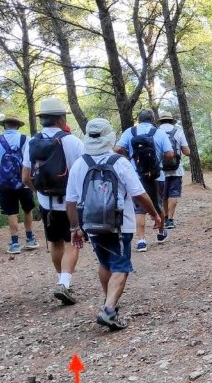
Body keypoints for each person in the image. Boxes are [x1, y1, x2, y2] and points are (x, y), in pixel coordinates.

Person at [66, 118, 162, 330]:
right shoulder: (119, 162)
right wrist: (155, 214)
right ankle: (109, 309)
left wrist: (75, 228)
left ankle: (109, 302)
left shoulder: (80, 164)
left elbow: (71, 200)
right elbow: (139, 194)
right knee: (120, 266)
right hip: (120, 223)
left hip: (91, 224)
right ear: (109, 137)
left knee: (104, 263)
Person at [22, 97, 85, 305]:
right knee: (73, 241)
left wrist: (39, 191)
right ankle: (65, 283)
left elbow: (25, 177)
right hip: (70, 202)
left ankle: (61, 279)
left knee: (55, 242)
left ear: (42, 120)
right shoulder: (72, 142)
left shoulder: (31, 142)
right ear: (61, 119)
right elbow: (83, 173)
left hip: (46, 202)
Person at [114, 109, 176, 252]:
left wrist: (130, 154)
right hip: (156, 175)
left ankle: (141, 240)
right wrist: (158, 156)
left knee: (139, 208)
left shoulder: (130, 132)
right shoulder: (159, 132)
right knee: (158, 204)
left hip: (135, 176)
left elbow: (117, 149)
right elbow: (170, 153)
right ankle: (160, 233)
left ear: (139, 119)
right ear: (153, 119)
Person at [0, 114, 38, 254]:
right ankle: (30, 239)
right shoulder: (26, 139)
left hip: (5, 182)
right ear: (18, 125)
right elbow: (31, 160)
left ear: (5, 125)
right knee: (28, 209)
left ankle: (15, 243)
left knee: (11, 212)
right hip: (24, 181)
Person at [157, 110, 191, 230]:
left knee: (163, 195)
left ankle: (165, 217)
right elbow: (186, 152)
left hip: (160, 170)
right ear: (171, 120)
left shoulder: (156, 132)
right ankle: (170, 220)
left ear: (160, 121)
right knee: (173, 193)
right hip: (176, 169)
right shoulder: (178, 132)